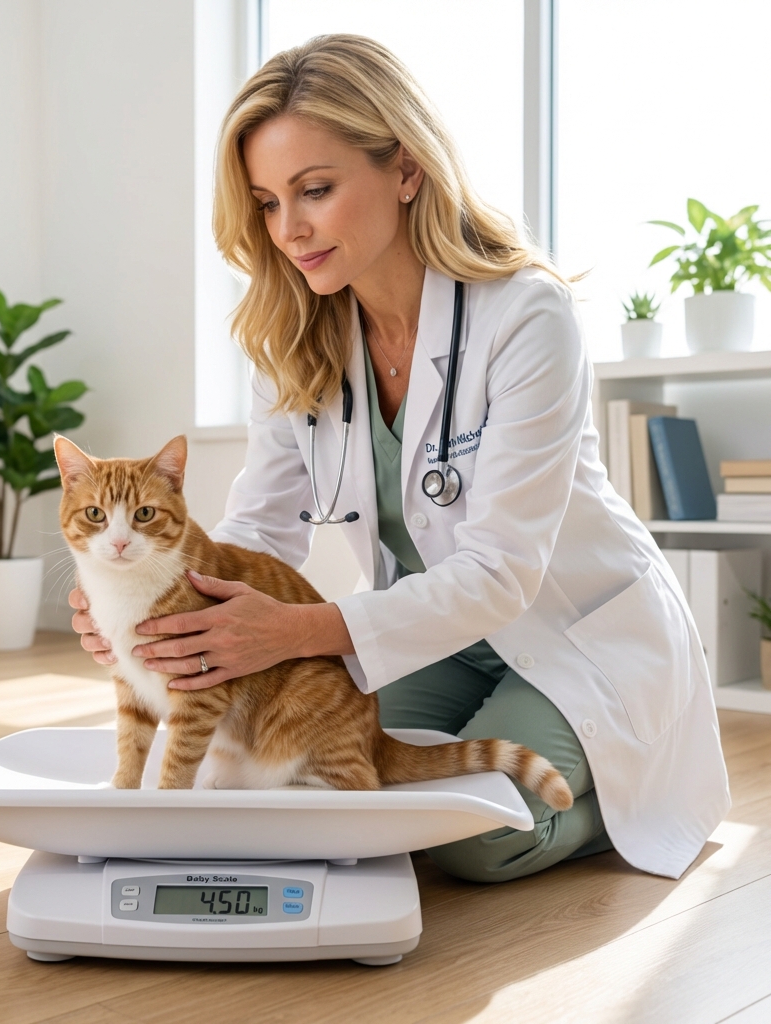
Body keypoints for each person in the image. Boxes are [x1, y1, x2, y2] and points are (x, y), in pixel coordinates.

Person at [70, 35, 729, 882]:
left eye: (315, 190)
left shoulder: (525, 316)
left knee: (471, 838)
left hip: (576, 632)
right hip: (432, 634)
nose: (290, 229)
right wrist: (161, 607)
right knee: (335, 785)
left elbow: (499, 572)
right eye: (268, 203)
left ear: (407, 170)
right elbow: (255, 529)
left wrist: (297, 627)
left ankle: (633, 787)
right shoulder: (296, 336)